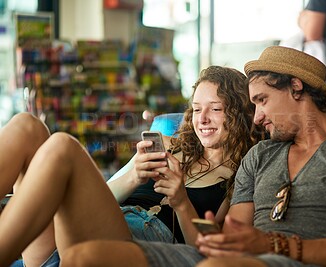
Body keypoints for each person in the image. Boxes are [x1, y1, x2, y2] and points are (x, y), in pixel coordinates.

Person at [57, 46, 326, 267]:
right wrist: (220, 237)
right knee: (86, 257)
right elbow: (231, 232)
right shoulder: (260, 155)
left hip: (288, 260)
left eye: (261, 101)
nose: (256, 117)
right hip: (222, 257)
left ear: (295, 88)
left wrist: (275, 245)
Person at [0, 65, 259, 266]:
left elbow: (209, 256)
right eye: (196, 109)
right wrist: (133, 176)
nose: (202, 119)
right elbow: (96, 201)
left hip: (127, 247)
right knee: (28, 125)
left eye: (215, 109)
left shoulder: (240, 177)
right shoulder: (170, 145)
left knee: (63, 147)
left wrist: (181, 201)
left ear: (238, 114)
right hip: (66, 239)